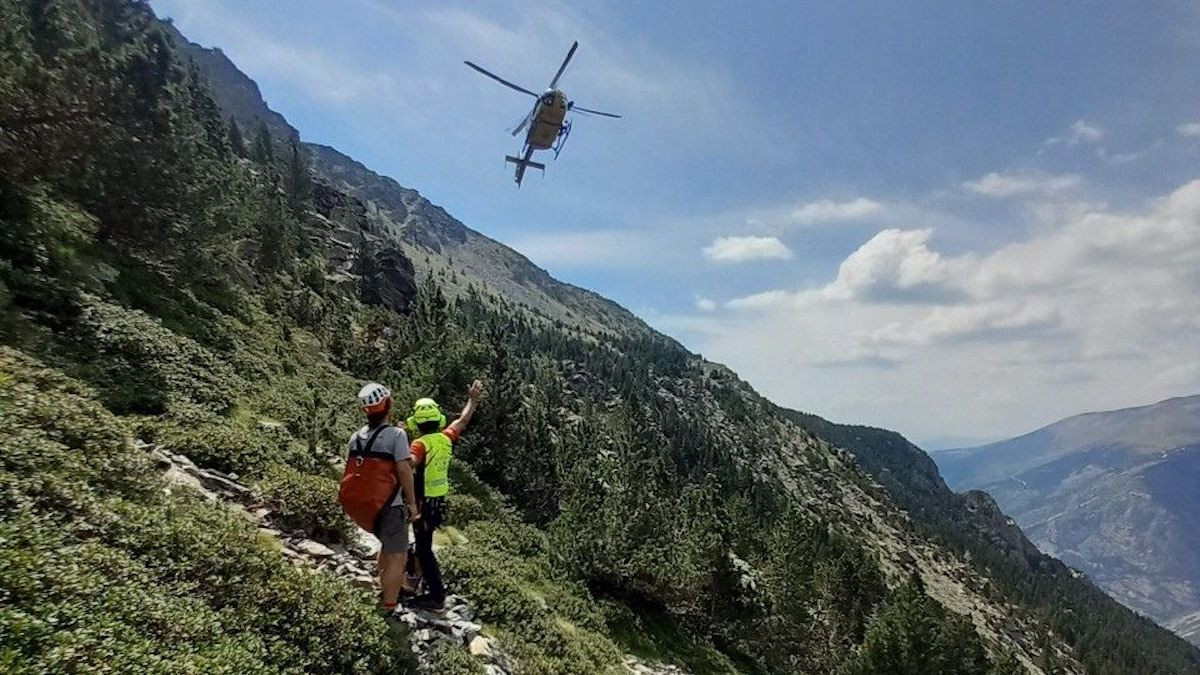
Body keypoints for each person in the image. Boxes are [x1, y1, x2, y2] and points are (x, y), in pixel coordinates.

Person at [405, 380, 484, 611]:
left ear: (417, 423)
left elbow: (409, 464)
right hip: (438, 500)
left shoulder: (419, 444)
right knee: (422, 545)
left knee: (423, 549)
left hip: (422, 503)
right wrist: (473, 400)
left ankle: (436, 597)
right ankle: (419, 582)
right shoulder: (445, 438)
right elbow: (462, 421)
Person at [345, 382, 420, 614]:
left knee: (386, 547)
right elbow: (404, 471)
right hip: (390, 504)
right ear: (387, 404)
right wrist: (412, 504)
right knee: (398, 555)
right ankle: (389, 606)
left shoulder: (355, 437)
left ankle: (382, 586)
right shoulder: (397, 435)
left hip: (367, 506)